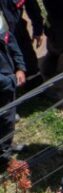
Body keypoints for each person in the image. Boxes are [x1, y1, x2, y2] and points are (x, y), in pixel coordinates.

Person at [0, 12, 25, 163]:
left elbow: (11, 43)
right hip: (4, 85)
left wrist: (20, 67)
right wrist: (10, 81)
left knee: (7, 120)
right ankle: (4, 157)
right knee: (6, 120)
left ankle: (6, 146)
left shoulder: (1, 26)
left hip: (7, 83)